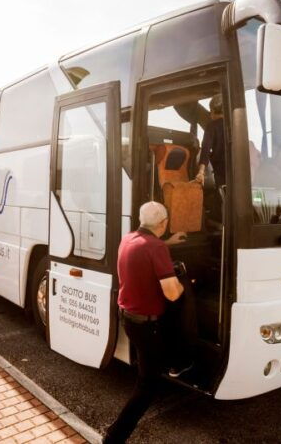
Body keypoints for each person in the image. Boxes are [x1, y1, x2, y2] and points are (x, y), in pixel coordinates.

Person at [103, 202, 186, 444]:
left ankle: (173, 363)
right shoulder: (155, 248)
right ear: (164, 223)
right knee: (147, 386)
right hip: (146, 325)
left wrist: (166, 243)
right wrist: (184, 283)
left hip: (129, 318)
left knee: (153, 364)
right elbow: (172, 293)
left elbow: (146, 247)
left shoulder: (128, 239)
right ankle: (113, 437)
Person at [195, 94, 226, 189]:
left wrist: (201, 172)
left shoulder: (212, 126)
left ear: (212, 111)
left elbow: (206, 149)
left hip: (220, 171)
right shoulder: (233, 124)